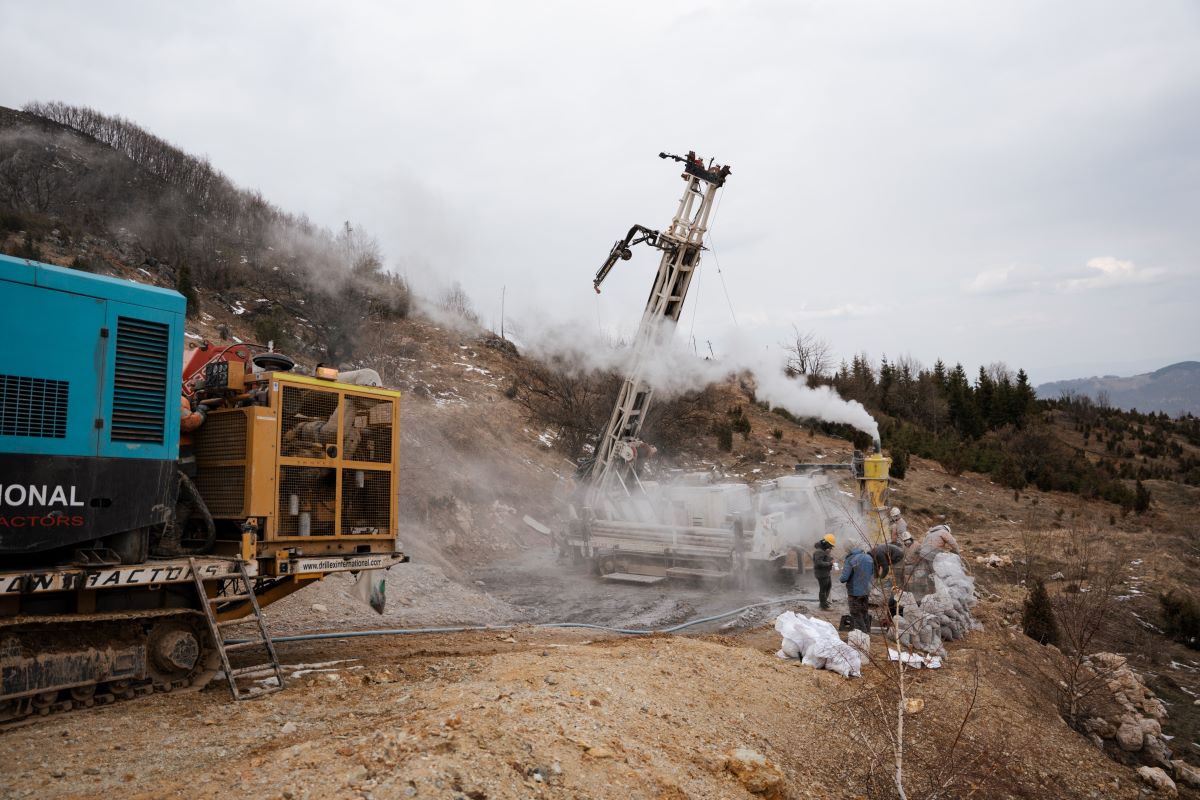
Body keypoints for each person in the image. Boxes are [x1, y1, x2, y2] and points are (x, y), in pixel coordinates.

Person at [839, 544, 875, 633]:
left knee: (855, 614)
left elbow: (844, 578)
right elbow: (872, 573)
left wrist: (841, 576)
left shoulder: (851, 559)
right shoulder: (868, 557)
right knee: (864, 612)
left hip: (854, 592)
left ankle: (861, 635)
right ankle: (867, 632)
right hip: (866, 590)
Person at [812, 534, 835, 610]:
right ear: (826, 543)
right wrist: (829, 563)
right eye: (830, 545)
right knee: (823, 589)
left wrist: (830, 558)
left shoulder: (823, 550)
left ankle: (824, 602)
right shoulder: (819, 551)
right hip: (821, 573)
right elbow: (818, 563)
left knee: (828, 586)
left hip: (825, 572)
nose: (830, 547)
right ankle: (823, 605)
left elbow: (824, 558)